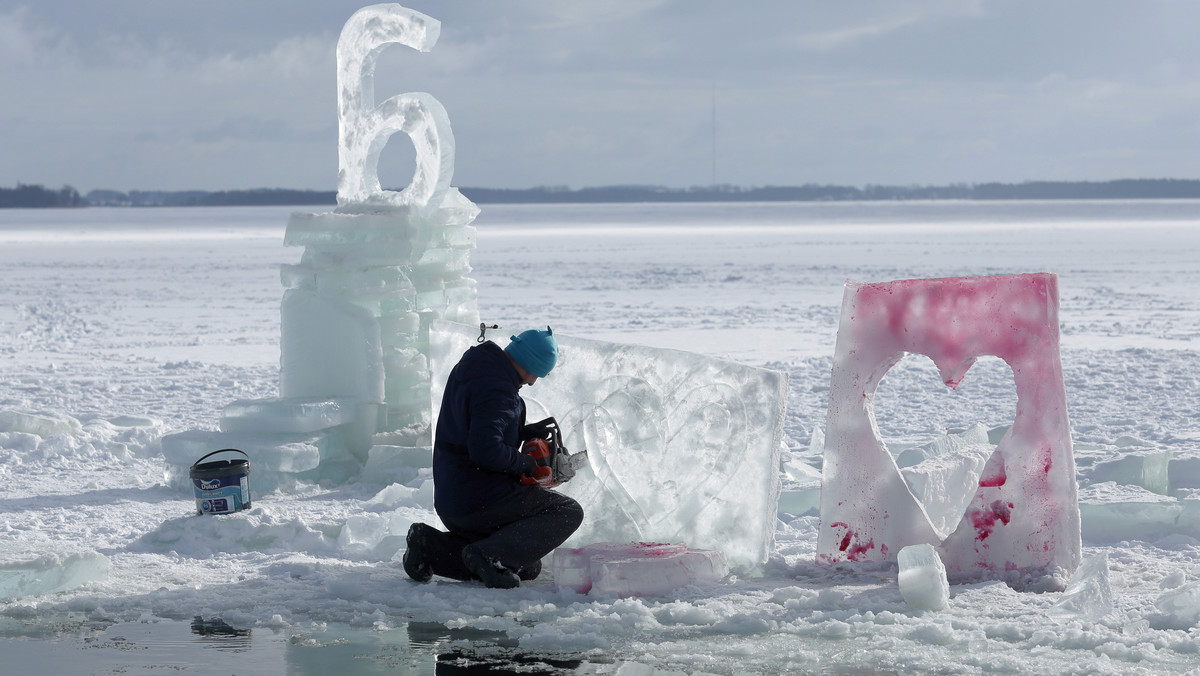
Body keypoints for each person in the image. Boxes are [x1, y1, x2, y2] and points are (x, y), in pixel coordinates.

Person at [403, 326, 584, 588]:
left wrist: (520, 432)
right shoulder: (499, 390)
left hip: (454, 497)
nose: (533, 382)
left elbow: (476, 428)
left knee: (528, 566)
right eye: (536, 374)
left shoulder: (477, 369)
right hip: (478, 499)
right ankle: (489, 556)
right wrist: (528, 464)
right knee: (568, 511)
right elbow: (485, 450)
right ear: (529, 362)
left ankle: (430, 547)